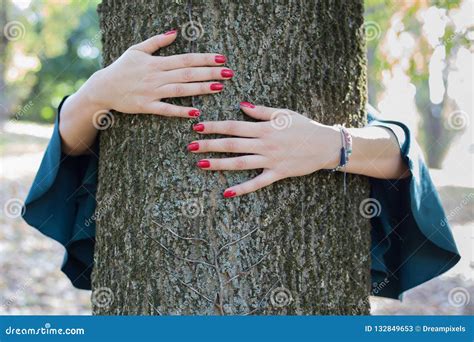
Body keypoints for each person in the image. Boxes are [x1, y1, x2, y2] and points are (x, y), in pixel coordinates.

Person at [23, 32, 460, 300]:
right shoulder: (141, 57)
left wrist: (330, 144)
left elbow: (399, 153)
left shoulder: (314, 55)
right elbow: (73, 148)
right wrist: (94, 94)